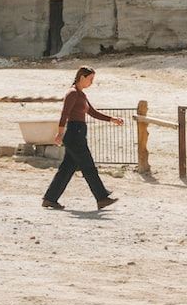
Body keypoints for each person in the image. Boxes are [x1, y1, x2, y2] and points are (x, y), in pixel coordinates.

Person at [42, 66, 125, 210]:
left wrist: (112, 119)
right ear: (82, 77)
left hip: (78, 133)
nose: (92, 82)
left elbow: (92, 112)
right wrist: (60, 133)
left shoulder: (81, 95)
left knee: (67, 169)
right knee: (88, 166)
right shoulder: (72, 93)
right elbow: (64, 114)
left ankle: (50, 199)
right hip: (74, 134)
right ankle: (102, 197)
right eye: (90, 79)